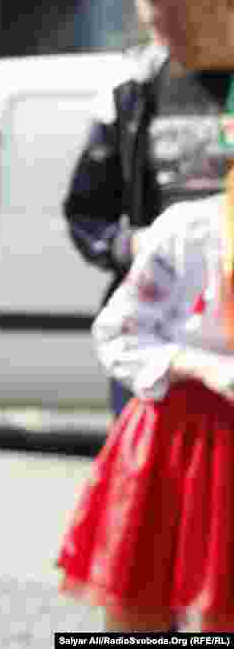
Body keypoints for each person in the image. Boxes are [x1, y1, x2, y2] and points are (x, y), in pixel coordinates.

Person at [56, 164, 234, 631]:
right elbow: (118, 333)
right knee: (139, 618)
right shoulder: (187, 228)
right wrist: (203, 367)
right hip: (173, 438)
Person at [63, 0, 234, 418]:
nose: (169, 44)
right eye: (157, 28)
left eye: (184, 28)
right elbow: (86, 213)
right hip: (160, 347)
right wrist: (133, 245)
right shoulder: (132, 92)